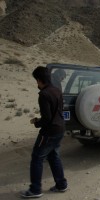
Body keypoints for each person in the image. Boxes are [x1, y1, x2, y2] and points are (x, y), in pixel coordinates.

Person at [21, 66, 68, 198]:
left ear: (40, 79)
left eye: (36, 80)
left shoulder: (44, 94)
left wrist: (36, 122)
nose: (36, 83)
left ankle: (35, 190)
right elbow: (56, 112)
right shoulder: (57, 90)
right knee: (53, 156)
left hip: (49, 132)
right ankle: (61, 185)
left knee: (37, 157)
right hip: (60, 128)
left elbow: (47, 119)